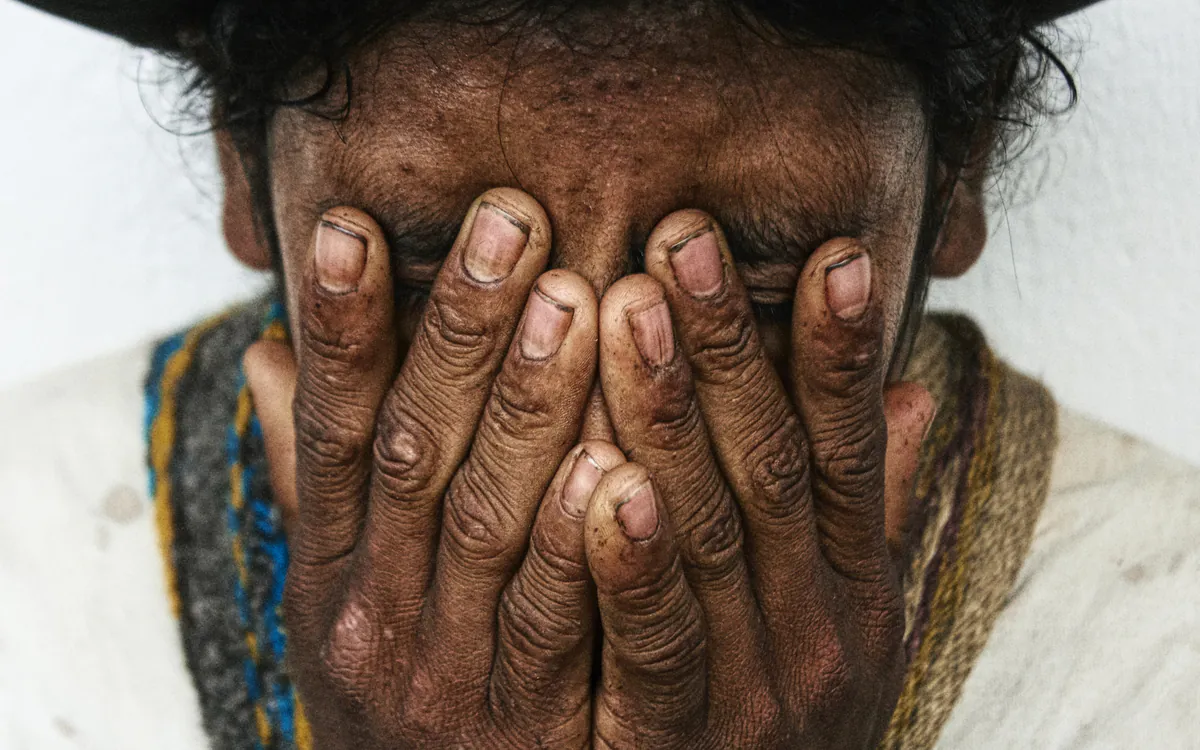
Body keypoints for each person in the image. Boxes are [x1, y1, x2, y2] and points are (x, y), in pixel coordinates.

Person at [3, 1, 1197, 748]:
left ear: (959, 168)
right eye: (439, 270)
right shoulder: (33, 593)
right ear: (237, 152)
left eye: (749, 284)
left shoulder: (1159, 645)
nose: (590, 453)